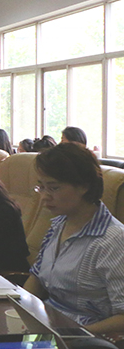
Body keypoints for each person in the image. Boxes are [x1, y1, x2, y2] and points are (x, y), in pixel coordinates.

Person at [25, 143, 124, 334]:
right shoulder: (58, 224)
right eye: (41, 187)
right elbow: (36, 278)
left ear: (84, 186)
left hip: (87, 337)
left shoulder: (113, 240)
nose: (44, 197)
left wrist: (73, 335)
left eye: (53, 188)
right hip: (47, 324)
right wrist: (19, 310)